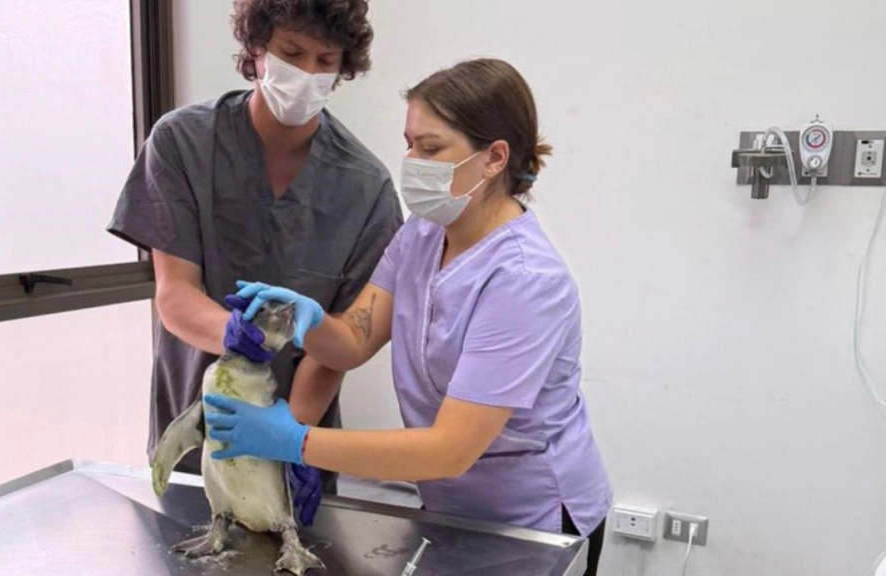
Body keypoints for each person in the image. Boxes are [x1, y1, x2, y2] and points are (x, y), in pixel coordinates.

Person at [204, 58, 613, 575]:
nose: (412, 160)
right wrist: (305, 319)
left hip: (534, 521)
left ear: (494, 158)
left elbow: (449, 450)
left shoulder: (525, 281)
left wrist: (295, 442)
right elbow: (356, 337)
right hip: (451, 509)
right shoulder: (421, 234)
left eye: (432, 147)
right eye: (410, 143)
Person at [106, 0, 403, 500]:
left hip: (299, 432)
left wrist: (287, 437)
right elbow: (175, 294)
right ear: (257, 48)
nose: (308, 73)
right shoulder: (182, 143)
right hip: (198, 427)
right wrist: (233, 334)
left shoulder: (365, 186)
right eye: (292, 52)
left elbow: (340, 343)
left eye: (325, 61)